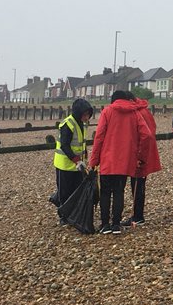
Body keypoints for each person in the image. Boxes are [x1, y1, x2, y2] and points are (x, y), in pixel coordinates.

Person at [88, 90, 152, 234]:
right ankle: (116, 224)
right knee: (119, 191)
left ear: (113, 99)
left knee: (105, 192)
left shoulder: (107, 111)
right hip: (125, 161)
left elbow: (99, 137)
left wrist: (94, 160)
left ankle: (105, 225)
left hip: (107, 159)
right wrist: (140, 157)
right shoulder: (134, 113)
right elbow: (146, 135)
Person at [124, 97, 162, 227]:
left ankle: (137, 216)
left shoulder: (137, 113)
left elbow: (144, 135)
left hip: (141, 154)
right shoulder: (145, 110)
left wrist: (139, 156)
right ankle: (138, 214)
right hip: (146, 152)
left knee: (137, 185)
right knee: (139, 184)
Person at [53, 98, 94, 209]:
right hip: (65, 164)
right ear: (78, 113)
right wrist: (77, 160)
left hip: (77, 164)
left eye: (88, 115)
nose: (86, 117)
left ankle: (71, 212)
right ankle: (63, 214)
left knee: (76, 189)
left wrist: (84, 157)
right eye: (84, 114)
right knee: (64, 191)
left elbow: (82, 143)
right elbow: (64, 145)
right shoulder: (68, 124)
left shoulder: (83, 124)